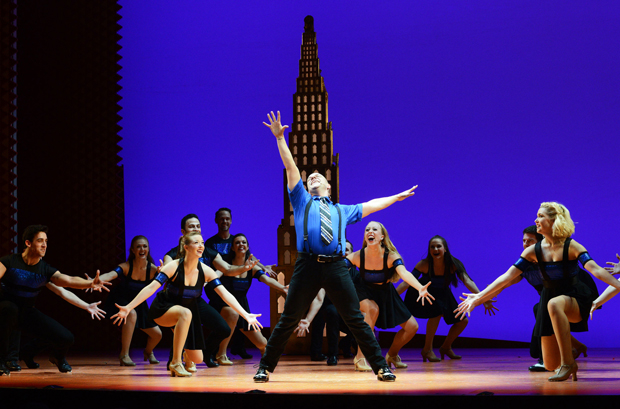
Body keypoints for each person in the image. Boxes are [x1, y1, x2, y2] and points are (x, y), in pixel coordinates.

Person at [254, 111, 418, 383]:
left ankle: (380, 366)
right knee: (288, 319)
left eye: (319, 177)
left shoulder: (344, 210)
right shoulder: (301, 200)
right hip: (307, 265)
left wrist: (395, 198)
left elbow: (372, 204)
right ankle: (265, 367)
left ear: (329, 186)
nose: (314, 178)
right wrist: (281, 139)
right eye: (311, 179)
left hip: (336, 267)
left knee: (355, 317)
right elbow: (292, 168)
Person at [457, 202, 620, 381]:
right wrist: (479, 297)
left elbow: (595, 270)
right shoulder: (532, 252)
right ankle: (570, 355)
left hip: (576, 296)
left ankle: (568, 363)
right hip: (549, 299)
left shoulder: (571, 246)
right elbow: (506, 278)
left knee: (554, 302)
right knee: (549, 364)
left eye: (541, 216)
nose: (536, 219)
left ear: (554, 220)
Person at [111, 231, 262, 377]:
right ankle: (176, 363)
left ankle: (185, 354)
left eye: (202, 242)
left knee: (198, 359)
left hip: (188, 314)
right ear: (186, 247)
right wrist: (129, 306)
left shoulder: (206, 271)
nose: (201, 245)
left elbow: (225, 294)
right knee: (185, 312)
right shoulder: (174, 266)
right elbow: (151, 288)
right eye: (196, 243)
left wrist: (245, 314)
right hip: (164, 309)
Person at [0, 225, 110, 375]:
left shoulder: (44, 270)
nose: (44, 245)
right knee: (9, 309)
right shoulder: (9, 262)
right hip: (4, 312)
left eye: (46, 241)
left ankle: (57, 357)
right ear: (28, 243)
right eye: (40, 241)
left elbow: (67, 281)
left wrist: (89, 284)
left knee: (66, 337)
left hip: (26, 314)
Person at [480, 226, 588, 372]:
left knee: (541, 310)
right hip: (550, 301)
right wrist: (485, 296)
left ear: (541, 243)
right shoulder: (526, 265)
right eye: (523, 241)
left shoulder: (554, 257)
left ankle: (556, 358)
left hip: (574, 295)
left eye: (530, 241)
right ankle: (574, 347)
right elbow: (506, 282)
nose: (525, 244)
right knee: (541, 309)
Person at [162, 213, 258, 369]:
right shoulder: (173, 254)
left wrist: (244, 268)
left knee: (223, 329)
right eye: (191, 226)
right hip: (176, 301)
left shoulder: (207, 252)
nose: (196, 229)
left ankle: (203, 353)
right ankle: (177, 359)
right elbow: (166, 265)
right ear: (183, 231)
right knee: (183, 324)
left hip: (195, 300)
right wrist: (163, 269)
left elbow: (227, 268)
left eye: (198, 226)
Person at [347, 221, 433, 371]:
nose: (370, 231)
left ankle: (392, 355)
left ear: (382, 236)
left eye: (374, 229)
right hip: (363, 290)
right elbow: (336, 271)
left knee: (412, 327)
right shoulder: (356, 256)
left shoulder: (391, 256)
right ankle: (360, 357)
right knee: (372, 309)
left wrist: (419, 287)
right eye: (367, 229)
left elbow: (404, 273)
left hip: (385, 292)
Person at [398, 235, 497, 363]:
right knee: (436, 313)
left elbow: (467, 281)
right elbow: (406, 282)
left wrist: (483, 298)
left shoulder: (453, 264)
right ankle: (427, 349)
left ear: (445, 249)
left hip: (443, 294)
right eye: (432, 247)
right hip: (425, 293)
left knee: (462, 321)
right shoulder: (424, 264)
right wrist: (392, 297)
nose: (435, 249)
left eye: (439, 246)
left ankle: (445, 347)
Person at [205, 208, 276, 359]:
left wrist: (263, 267)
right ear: (216, 221)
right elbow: (219, 267)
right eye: (221, 219)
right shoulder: (211, 243)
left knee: (247, 329)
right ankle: (219, 353)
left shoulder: (235, 240)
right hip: (219, 290)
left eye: (227, 219)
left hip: (239, 296)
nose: (225, 221)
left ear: (231, 220)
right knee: (228, 318)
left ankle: (238, 348)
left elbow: (249, 257)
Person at [207, 233, 288, 365]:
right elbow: (216, 274)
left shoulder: (252, 267)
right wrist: (206, 280)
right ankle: (221, 354)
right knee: (232, 314)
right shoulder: (226, 264)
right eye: (237, 243)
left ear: (247, 246)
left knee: (262, 343)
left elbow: (266, 279)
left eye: (244, 242)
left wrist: (283, 288)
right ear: (232, 248)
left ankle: (266, 361)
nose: (241, 245)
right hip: (223, 303)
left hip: (242, 305)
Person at [96, 235, 162, 366]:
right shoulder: (126, 266)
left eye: (144, 246)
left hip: (139, 303)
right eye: (138, 246)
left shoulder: (153, 269)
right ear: (132, 250)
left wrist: (163, 274)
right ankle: (124, 354)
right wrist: (94, 281)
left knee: (157, 335)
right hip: (121, 301)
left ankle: (148, 352)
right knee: (131, 313)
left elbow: (167, 281)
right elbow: (110, 275)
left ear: (148, 249)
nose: (142, 249)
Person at [294, 240, 360, 365]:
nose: (343, 253)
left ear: (352, 254)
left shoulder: (356, 275)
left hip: (348, 310)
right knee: (330, 312)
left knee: (361, 318)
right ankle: (332, 355)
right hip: (329, 306)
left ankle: (348, 345)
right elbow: (319, 296)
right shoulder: (329, 271)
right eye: (341, 250)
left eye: (347, 250)